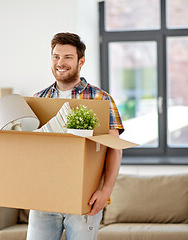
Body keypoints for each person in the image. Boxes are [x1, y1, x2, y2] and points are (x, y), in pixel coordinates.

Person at [27, 32, 124, 240]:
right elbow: (31, 149)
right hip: (44, 198)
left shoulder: (100, 99)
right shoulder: (38, 99)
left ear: (81, 61)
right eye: (56, 56)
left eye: (67, 57)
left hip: (84, 198)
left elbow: (114, 148)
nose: (60, 62)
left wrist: (105, 191)